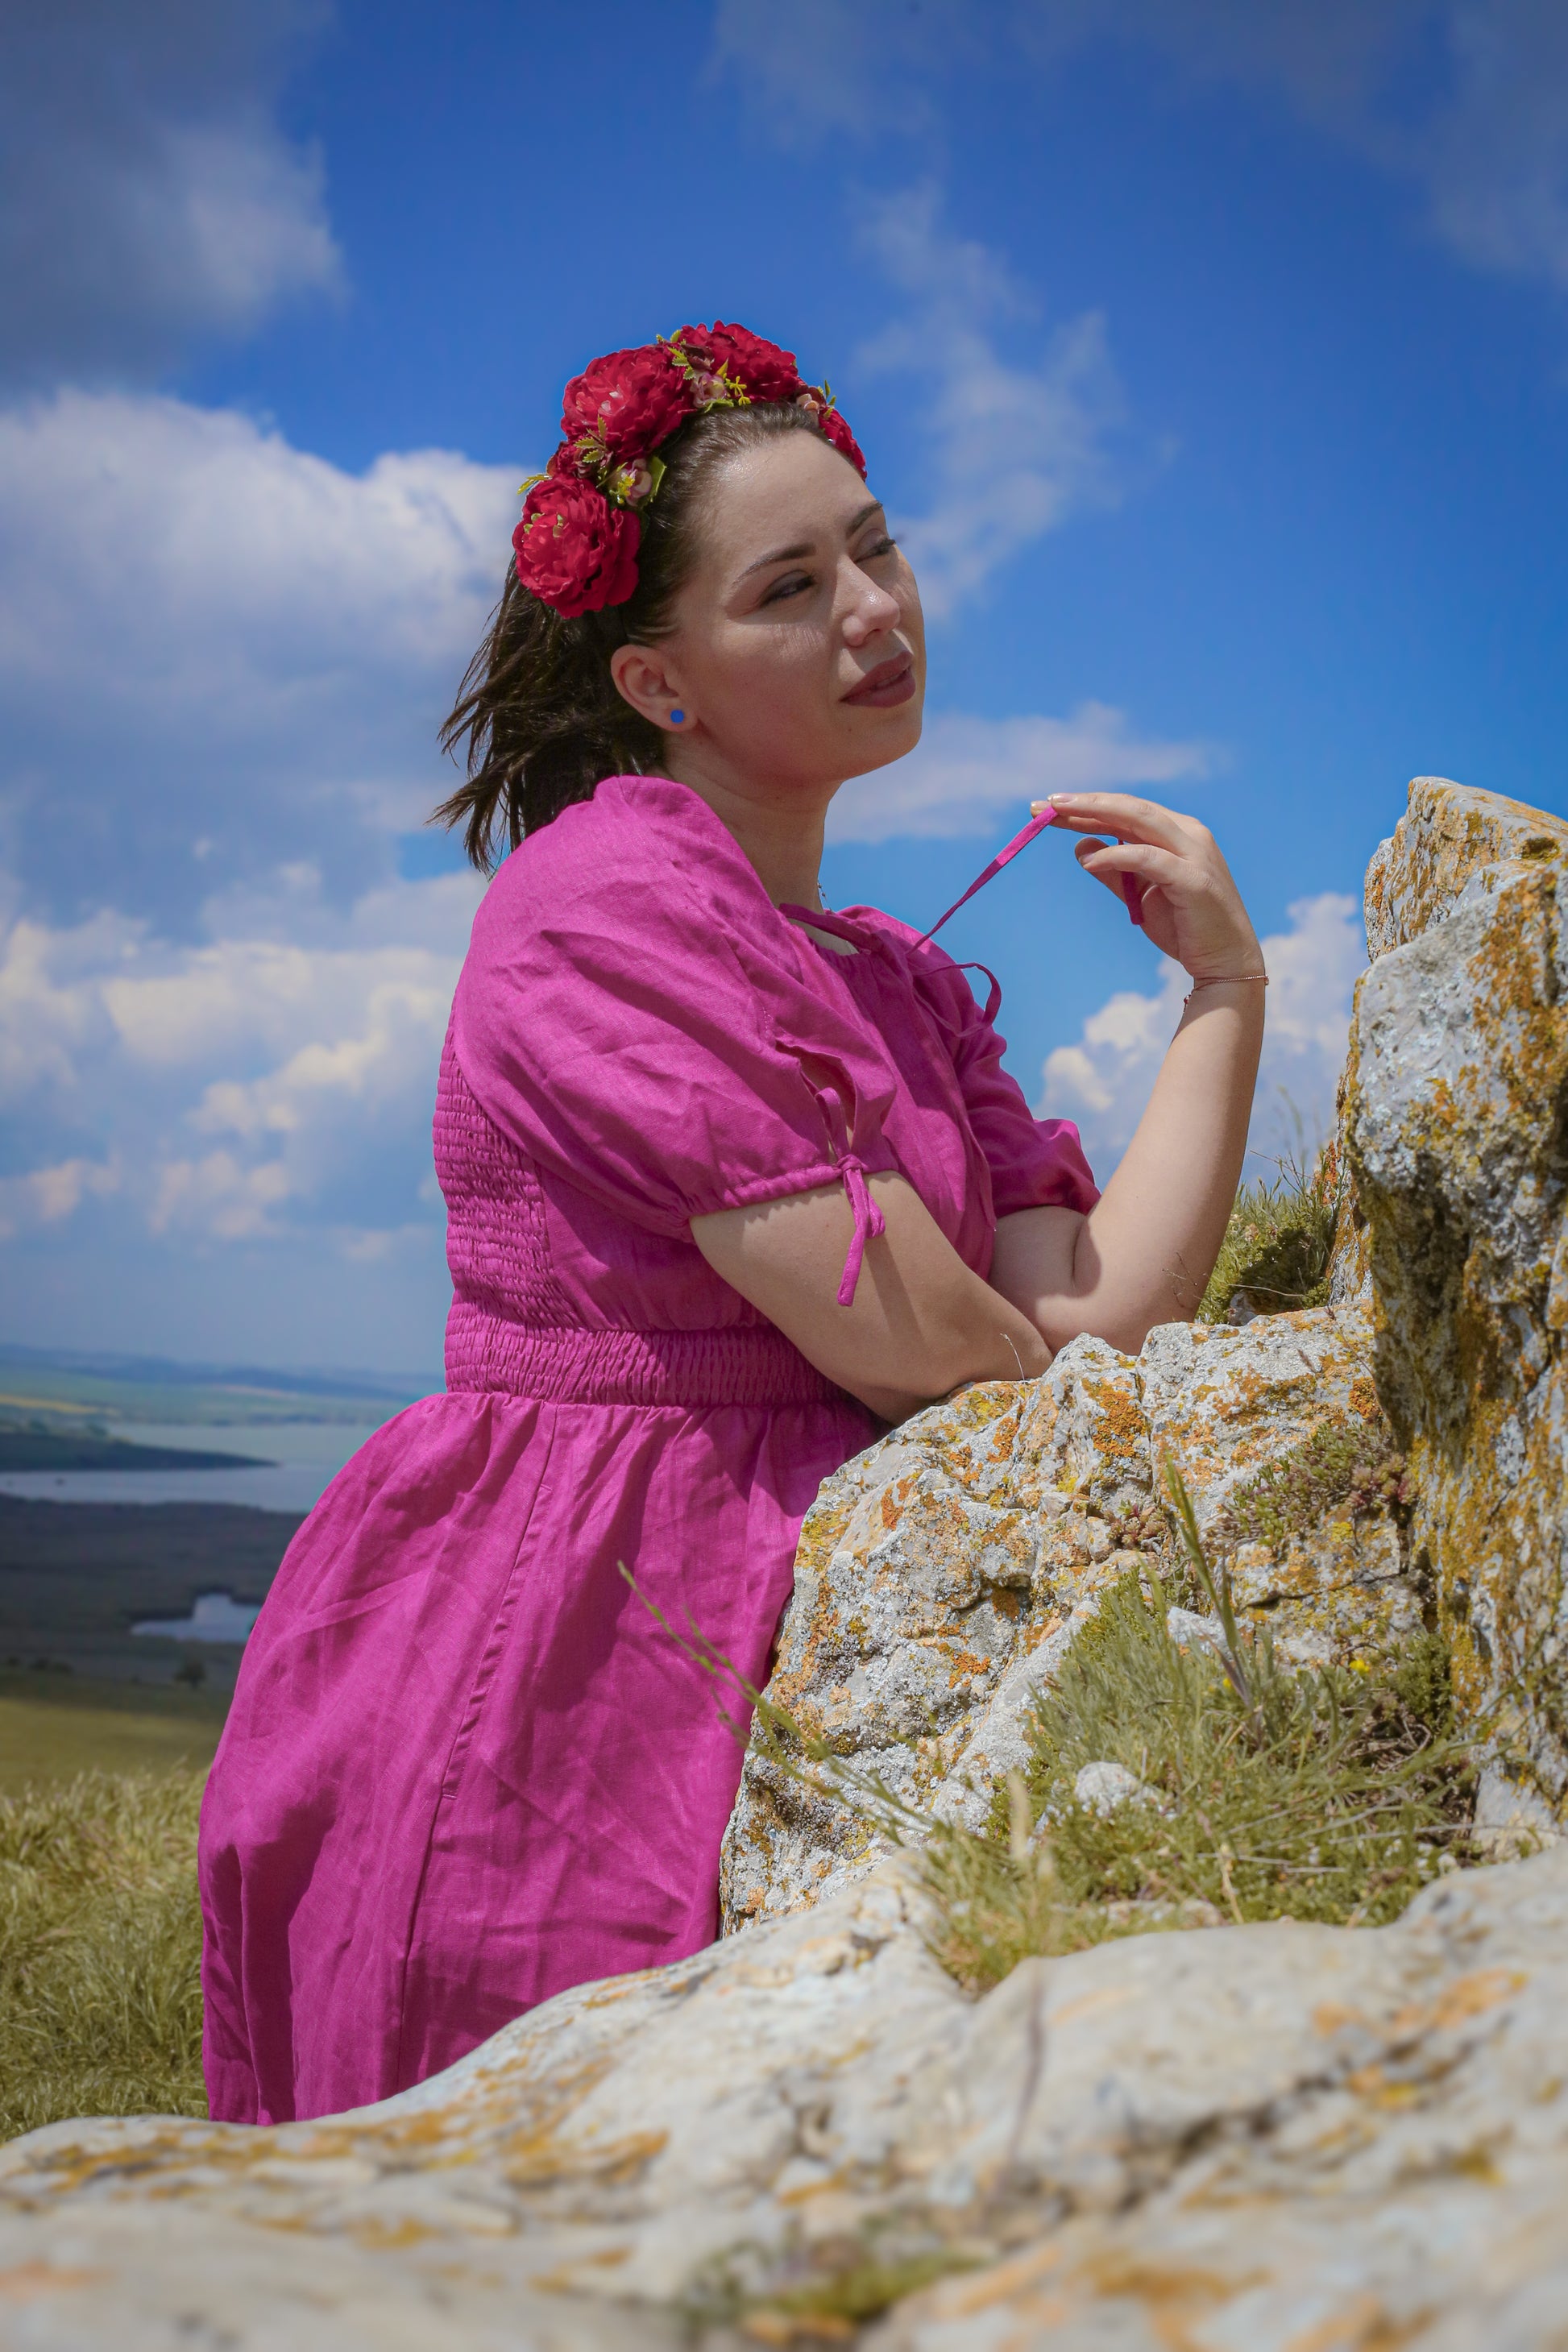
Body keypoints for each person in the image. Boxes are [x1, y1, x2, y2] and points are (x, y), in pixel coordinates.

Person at [198, 323, 1265, 2125]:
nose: (874, 609)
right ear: (658, 681)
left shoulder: (894, 979)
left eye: (876, 545)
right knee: (548, 2184)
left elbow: (1086, 1326)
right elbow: (931, 1346)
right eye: (789, 585)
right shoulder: (600, 904)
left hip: (798, 1610)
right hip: (568, 1639)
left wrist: (1225, 991)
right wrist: (991, 1350)